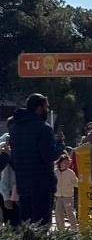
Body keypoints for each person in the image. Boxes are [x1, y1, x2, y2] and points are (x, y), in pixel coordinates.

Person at [8, 93, 61, 224]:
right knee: (41, 226)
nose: (47, 110)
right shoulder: (44, 128)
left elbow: (13, 159)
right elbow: (48, 155)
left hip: (23, 184)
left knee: (26, 226)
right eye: (46, 107)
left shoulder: (15, 128)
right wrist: (60, 145)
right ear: (39, 108)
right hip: (42, 185)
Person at [54, 153, 79, 230]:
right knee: (58, 213)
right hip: (58, 196)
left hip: (68, 196)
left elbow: (76, 183)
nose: (67, 164)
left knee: (69, 213)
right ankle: (61, 230)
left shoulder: (70, 172)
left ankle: (74, 229)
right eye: (65, 162)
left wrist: (80, 183)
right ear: (60, 162)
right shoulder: (55, 172)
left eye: (68, 163)